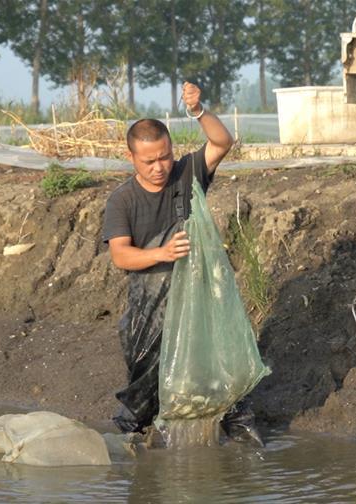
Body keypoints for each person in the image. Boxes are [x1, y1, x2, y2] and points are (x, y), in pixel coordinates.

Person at [102, 82, 261, 445]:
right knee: (147, 384)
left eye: (164, 156)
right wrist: (162, 253)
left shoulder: (187, 173)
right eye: (149, 161)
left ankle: (236, 435)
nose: (159, 167)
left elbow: (222, 143)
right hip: (149, 309)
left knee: (217, 370)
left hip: (199, 297)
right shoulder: (122, 200)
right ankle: (138, 441)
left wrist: (199, 110)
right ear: (132, 158)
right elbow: (120, 255)